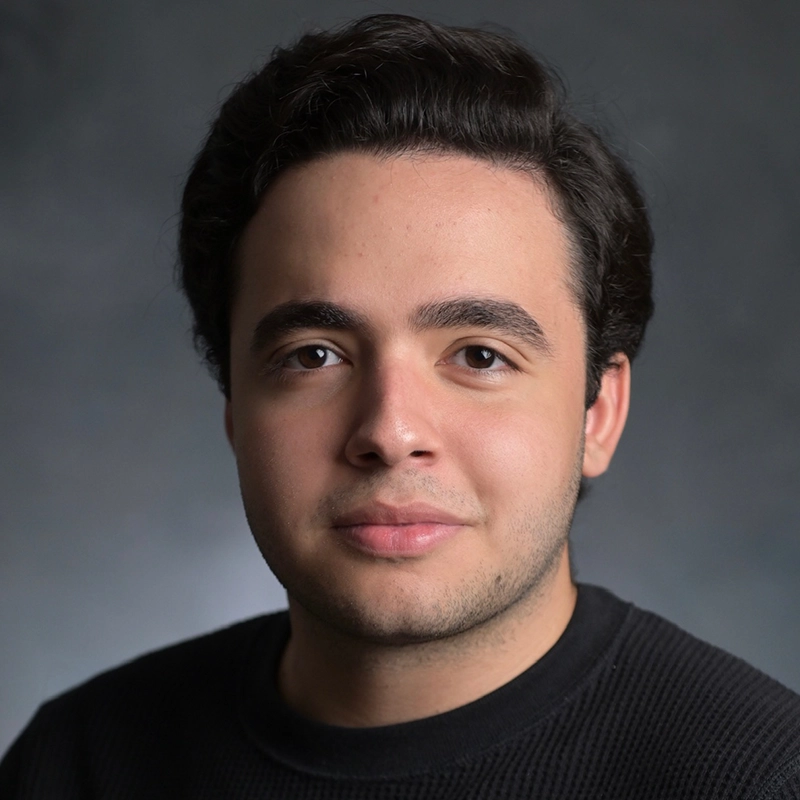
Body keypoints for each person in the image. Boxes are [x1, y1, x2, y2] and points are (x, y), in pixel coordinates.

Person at [2, 13, 799, 798]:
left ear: (598, 414)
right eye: (314, 355)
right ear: (234, 412)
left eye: (480, 355)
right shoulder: (79, 764)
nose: (390, 431)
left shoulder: (761, 778)